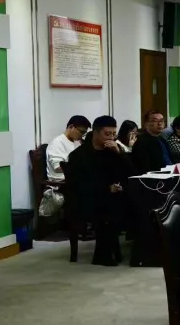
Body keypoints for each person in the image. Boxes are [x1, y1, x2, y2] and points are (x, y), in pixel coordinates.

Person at [66, 116, 131, 266]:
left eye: (114, 134)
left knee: (135, 200)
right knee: (109, 206)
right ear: (95, 133)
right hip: (86, 198)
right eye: (107, 134)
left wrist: (120, 153)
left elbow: (130, 172)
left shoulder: (112, 151)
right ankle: (102, 255)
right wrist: (107, 188)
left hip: (112, 195)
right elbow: (80, 185)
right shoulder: (79, 156)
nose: (111, 138)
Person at [47, 115, 90, 181]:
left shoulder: (77, 142)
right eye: (81, 132)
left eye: (84, 133)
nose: (82, 135)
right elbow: (57, 168)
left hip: (76, 179)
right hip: (62, 182)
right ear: (71, 127)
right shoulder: (57, 143)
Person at [132, 109, 171, 174]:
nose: (160, 124)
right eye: (155, 121)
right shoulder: (141, 142)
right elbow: (144, 168)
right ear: (146, 124)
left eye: (161, 121)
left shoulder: (163, 140)